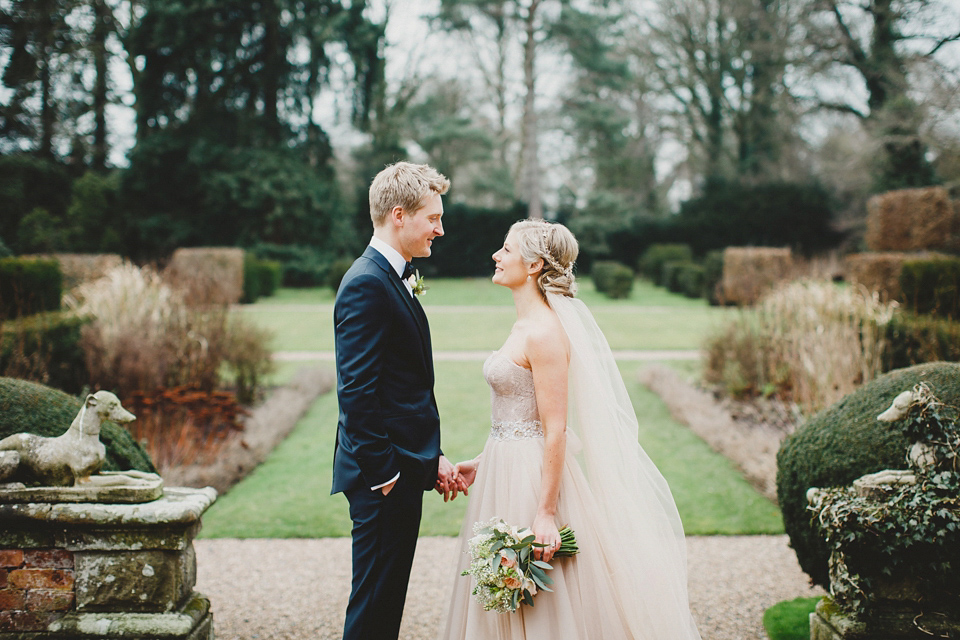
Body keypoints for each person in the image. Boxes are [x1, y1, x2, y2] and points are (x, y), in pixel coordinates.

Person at [441, 219, 701, 639]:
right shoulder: (523, 327)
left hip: (531, 481)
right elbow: (517, 417)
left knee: (541, 600)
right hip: (503, 468)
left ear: (533, 265)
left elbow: (556, 429)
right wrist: (482, 462)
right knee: (501, 596)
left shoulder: (543, 333)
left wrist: (544, 513)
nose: (496, 255)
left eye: (506, 250)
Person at [333, 161, 461, 640]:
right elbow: (357, 392)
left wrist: (434, 459)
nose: (440, 229)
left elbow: (402, 390)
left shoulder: (394, 275)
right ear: (400, 215)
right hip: (381, 478)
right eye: (434, 218)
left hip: (402, 468)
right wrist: (386, 475)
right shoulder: (368, 283)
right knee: (372, 610)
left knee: (384, 607)